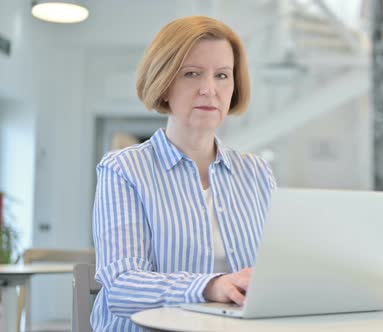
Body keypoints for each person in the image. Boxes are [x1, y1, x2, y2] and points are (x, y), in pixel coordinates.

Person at [91, 16, 276, 331]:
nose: (209, 89)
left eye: (222, 75)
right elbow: (122, 287)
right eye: (192, 74)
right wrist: (209, 286)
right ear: (164, 85)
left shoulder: (257, 172)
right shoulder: (123, 170)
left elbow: (275, 272)